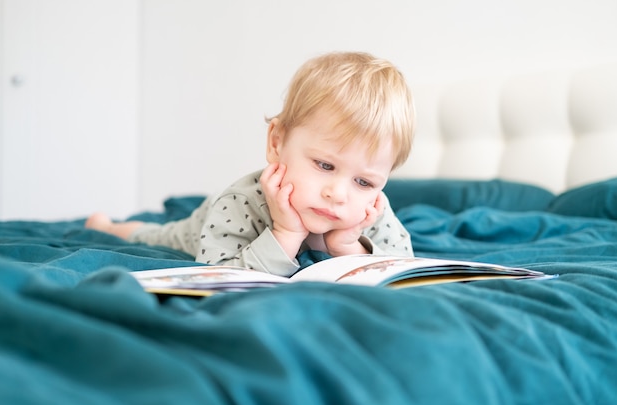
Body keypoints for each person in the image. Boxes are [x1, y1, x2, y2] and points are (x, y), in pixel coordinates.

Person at [86, 51, 415, 277]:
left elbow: (405, 267)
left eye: (364, 182)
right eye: (325, 166)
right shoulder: (241, 202)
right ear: (276, 142)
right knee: (160, 235)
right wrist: (285, 234)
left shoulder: (370, 211)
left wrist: (350, 247)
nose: (339, 194)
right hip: (204, 223)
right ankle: (110, 226)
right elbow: (219, 275)